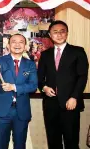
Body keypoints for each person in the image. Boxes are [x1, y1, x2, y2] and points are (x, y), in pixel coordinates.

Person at [38, 20, 89, 149]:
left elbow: (82, 77)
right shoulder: (45, 55)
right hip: (51, 104)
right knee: (53, 141)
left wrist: (74, 97)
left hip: (70, 103)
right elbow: (39, 78)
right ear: (50, 35)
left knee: (71, 141)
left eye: (62, 31)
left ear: (67, 34)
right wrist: (44, 87)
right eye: (55, 32)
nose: (59, 35)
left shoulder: (78, 52)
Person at [0, 33, 37, 149]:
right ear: (9, 46)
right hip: (2, 109)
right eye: (14, 42)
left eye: (21, 42)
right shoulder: (0, 60)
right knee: (1, 144)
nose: (17, 44)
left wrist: (14, 87)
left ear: (25, 46)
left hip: (21, 110)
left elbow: (33, 86)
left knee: (20, 145)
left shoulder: (30, 64)